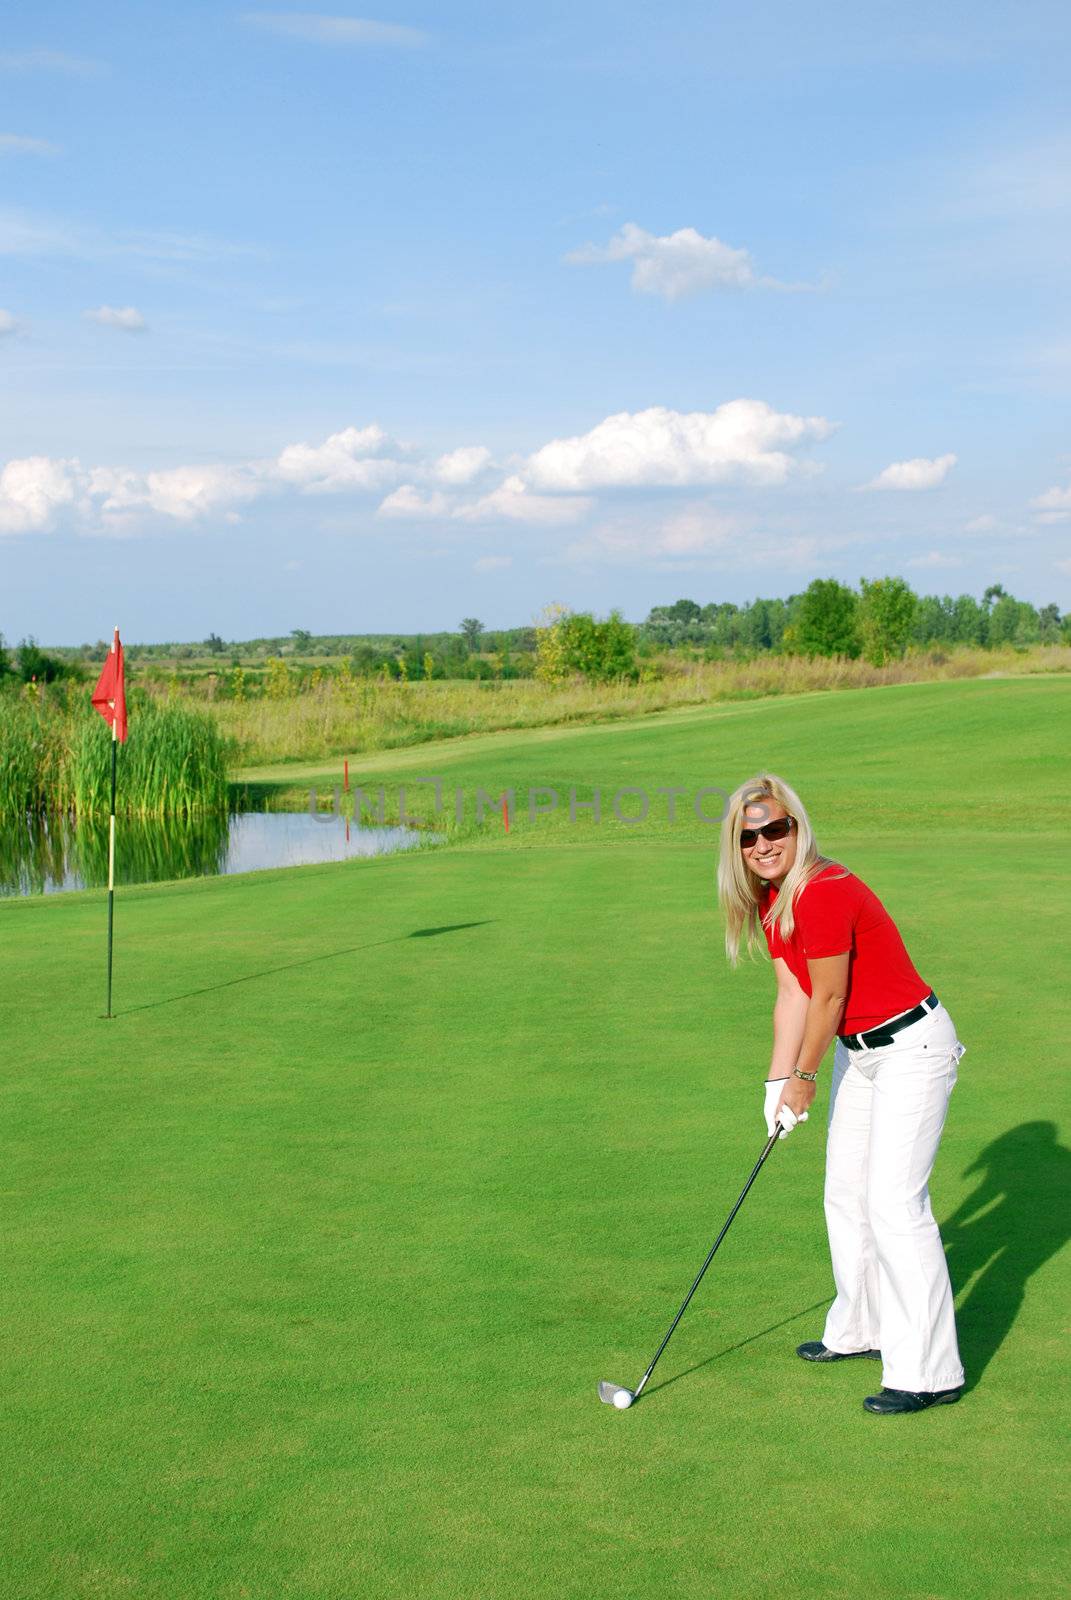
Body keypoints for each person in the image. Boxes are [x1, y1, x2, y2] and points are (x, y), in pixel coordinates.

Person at [716, 772, 966, 1415]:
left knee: (894, 1204)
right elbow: (793, 994)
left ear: (798, 828)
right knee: (847, 1193)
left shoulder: (825, 891)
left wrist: (802, 1078)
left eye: (778, 828)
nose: (766, 843)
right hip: (862, 1054)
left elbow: (829, 996)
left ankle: (929, 1372)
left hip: (913, 1046)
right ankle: (861, 1328)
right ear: (736, 847)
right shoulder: (776, 903)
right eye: (751, 836)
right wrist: (775, 1080)